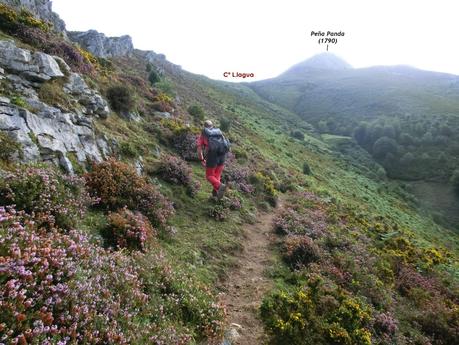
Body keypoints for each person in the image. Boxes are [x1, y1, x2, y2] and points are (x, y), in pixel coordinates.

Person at [197, 120, 230, 199]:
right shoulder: (219, 133)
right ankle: (215, 194)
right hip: (222, 156)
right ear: (212, 126)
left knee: (209, 176)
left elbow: (199, 149)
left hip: (212, 156)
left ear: (204, 127)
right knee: (217, 175)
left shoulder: (203, 135)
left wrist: (201, 159)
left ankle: (219, 186)